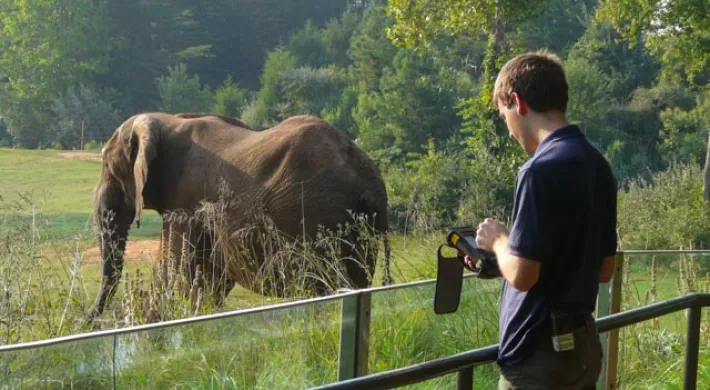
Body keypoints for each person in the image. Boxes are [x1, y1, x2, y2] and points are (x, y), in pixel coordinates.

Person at [464, 49, 618, 389]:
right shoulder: (597, 164)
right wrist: (500, 262)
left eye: (504, 116)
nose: (508, 130)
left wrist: (499, 241)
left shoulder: (538, 170)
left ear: (518, 103)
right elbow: (604, 269)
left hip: (538, 358)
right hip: (581, 349)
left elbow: (523, 275)